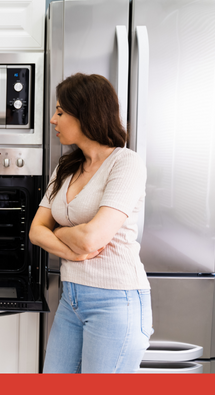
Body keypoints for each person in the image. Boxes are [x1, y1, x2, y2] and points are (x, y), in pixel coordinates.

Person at [29, 73, 153, 373]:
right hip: (71, 298)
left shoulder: (126, 163)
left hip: (115, 301)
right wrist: (71, 250)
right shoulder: (66, 167)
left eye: (60, 112)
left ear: (86, 113)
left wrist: (58, 231)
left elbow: (91, 240)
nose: (52, 120)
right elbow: (35, 231)